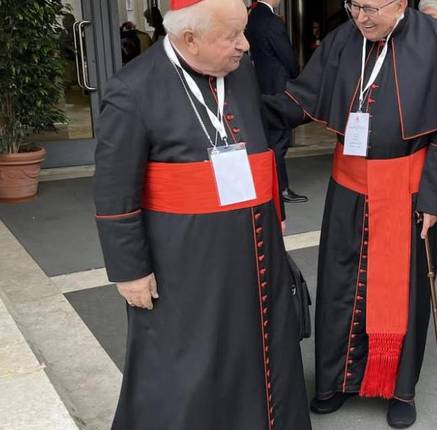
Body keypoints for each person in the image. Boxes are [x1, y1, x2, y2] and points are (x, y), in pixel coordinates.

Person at [93, 0, 311, 429]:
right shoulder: (132, 90)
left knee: (257, 345)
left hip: (253, 248)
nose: (245, 45)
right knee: (188, 360)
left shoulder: (238, 72)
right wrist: (130, 271)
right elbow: (114, 190)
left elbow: (256, 149)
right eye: (233, 36)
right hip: (182, 261)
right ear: (190, 39)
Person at [262, 1, 437, 427]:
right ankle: (335, 381)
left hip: (407, 190)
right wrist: (248, 107)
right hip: (349, 185)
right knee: (340, 282)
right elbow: (301, 100)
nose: (361, 16)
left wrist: (435, 199)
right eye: (354, 5)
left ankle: (400, 389)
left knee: (406, 288)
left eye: (371, 7)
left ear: (400, 3)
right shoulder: (344, 39)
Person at [246, 0, 308, 203]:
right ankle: (281, 189)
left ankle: (271, 184)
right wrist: (296, 78)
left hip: (262, 84)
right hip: (278, 85)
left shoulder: (252, 16)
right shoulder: (272, 20)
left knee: (270, 138)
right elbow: (286, 56)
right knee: (279, 140)